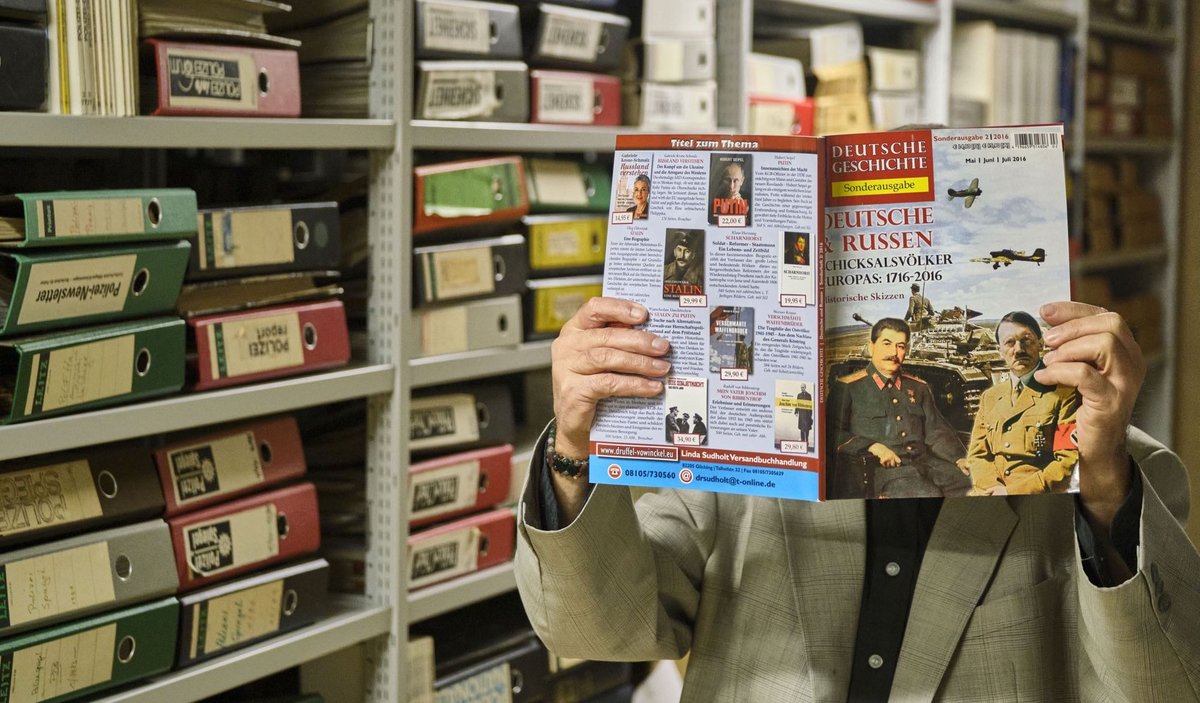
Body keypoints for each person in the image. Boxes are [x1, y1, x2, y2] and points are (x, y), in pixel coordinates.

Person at [514, 297, 1200, 701]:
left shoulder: (1102, 465)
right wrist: (574, 442)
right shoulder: (745, 447)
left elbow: (1163, 683)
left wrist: (1103, 478)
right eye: (889, 343)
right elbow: (594, 629)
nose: (901, 354)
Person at [826, 318, 971, 499]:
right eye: (887, 344)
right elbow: (830, 433)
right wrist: (872, 446)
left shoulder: (919, 388)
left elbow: (936, 430)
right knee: (926, 494)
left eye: (900, 346)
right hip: (883, 471)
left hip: (926, 463)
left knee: (970, 483)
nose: (894, 353)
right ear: (871, 347)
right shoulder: (848, 388)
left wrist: (959, 458)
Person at [959, 310, 1081, 495]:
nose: (1018, 350)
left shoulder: (1064, 393)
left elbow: (1068, 460)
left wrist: (1011, 492)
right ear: (1000, 349)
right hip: (987, 493)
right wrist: (991, 489)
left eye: (1026, 340)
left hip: (1036, 496)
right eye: (1009, 342)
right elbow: (977, 455)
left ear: (1040, 343)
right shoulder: (990, 397)